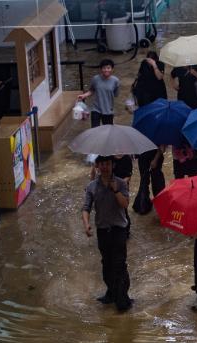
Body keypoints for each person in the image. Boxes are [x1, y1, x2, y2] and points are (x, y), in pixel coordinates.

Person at [81, 155, 132, 312]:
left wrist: (115, 190)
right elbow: (86, 207)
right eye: (102, 164)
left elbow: (125, 204)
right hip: (102, 230)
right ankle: (111, 292)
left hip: (119, 229)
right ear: (97, 166)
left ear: (112, 165)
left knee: (119, 264)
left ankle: (122, 298)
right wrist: (86, 224)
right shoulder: (91, 187)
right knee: (107, 264)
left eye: (108, 164)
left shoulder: (121, 183)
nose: (105, 167)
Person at [78, 59, 120, 128]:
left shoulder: (115, 81)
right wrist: (84, 95)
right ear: (101, 69)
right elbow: (91, 90)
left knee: (107, 131)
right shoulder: (95, 79)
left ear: (112, 69)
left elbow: (116, 94)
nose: (106, 70)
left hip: (108, 110)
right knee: (94, 130)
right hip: (96, 109)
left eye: (108, 68)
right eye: (104, 68)